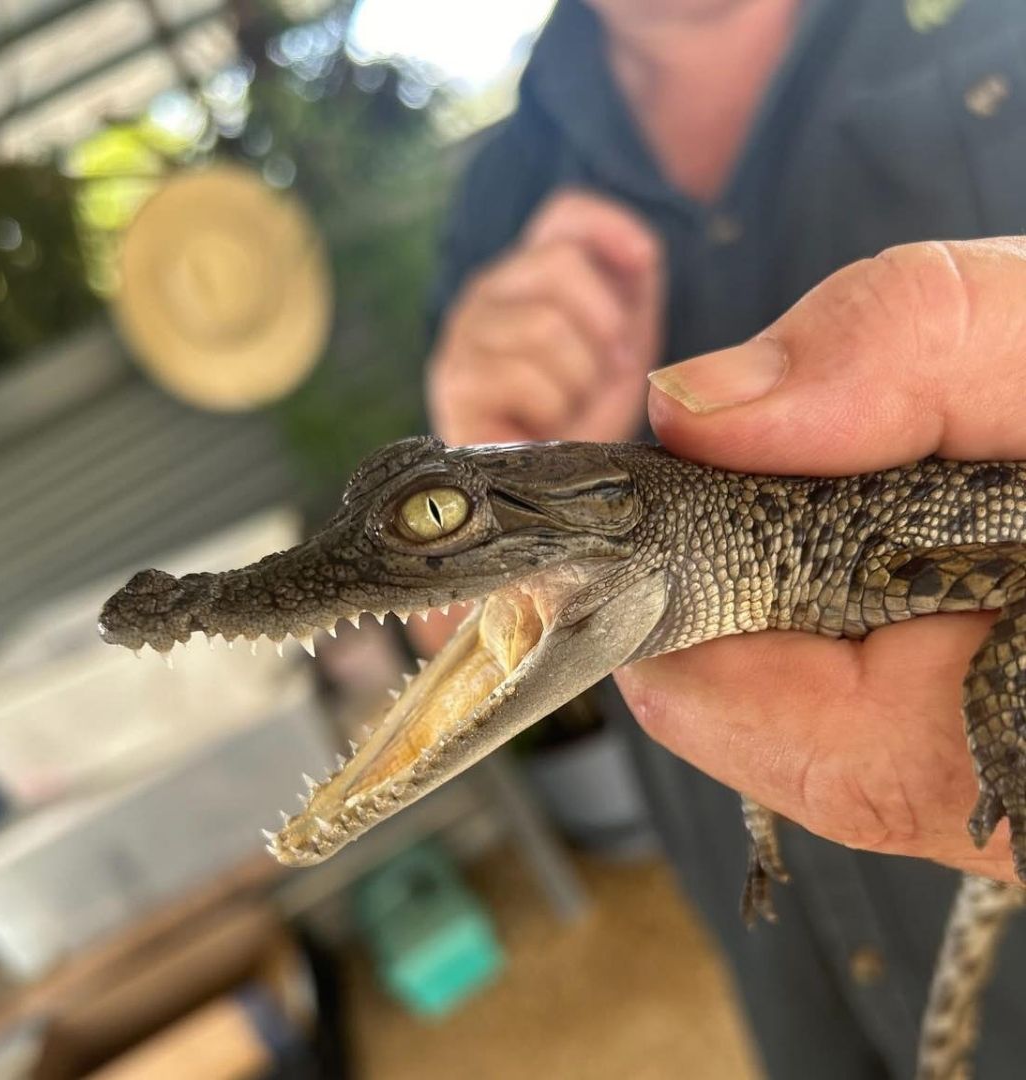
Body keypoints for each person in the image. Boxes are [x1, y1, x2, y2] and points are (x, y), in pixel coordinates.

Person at [422, 1, 1026, 1077]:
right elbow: (440, 629)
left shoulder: (991, 30)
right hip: (772, 936)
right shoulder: (495, 202)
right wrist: (482, 464)